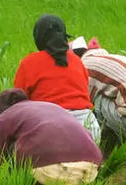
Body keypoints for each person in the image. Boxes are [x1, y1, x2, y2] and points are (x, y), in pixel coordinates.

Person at [0, 89, 103, 185]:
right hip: (90, 168)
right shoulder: (52, 106)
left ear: (2, 110)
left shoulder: (6, 115)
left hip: (50, 171)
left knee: (10, 149)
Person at [13, 14, 100, 143]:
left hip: (50, 131)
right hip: (90, 131)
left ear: (39, 38)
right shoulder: (77, 61)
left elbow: (17, 102)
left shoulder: (29, 63)